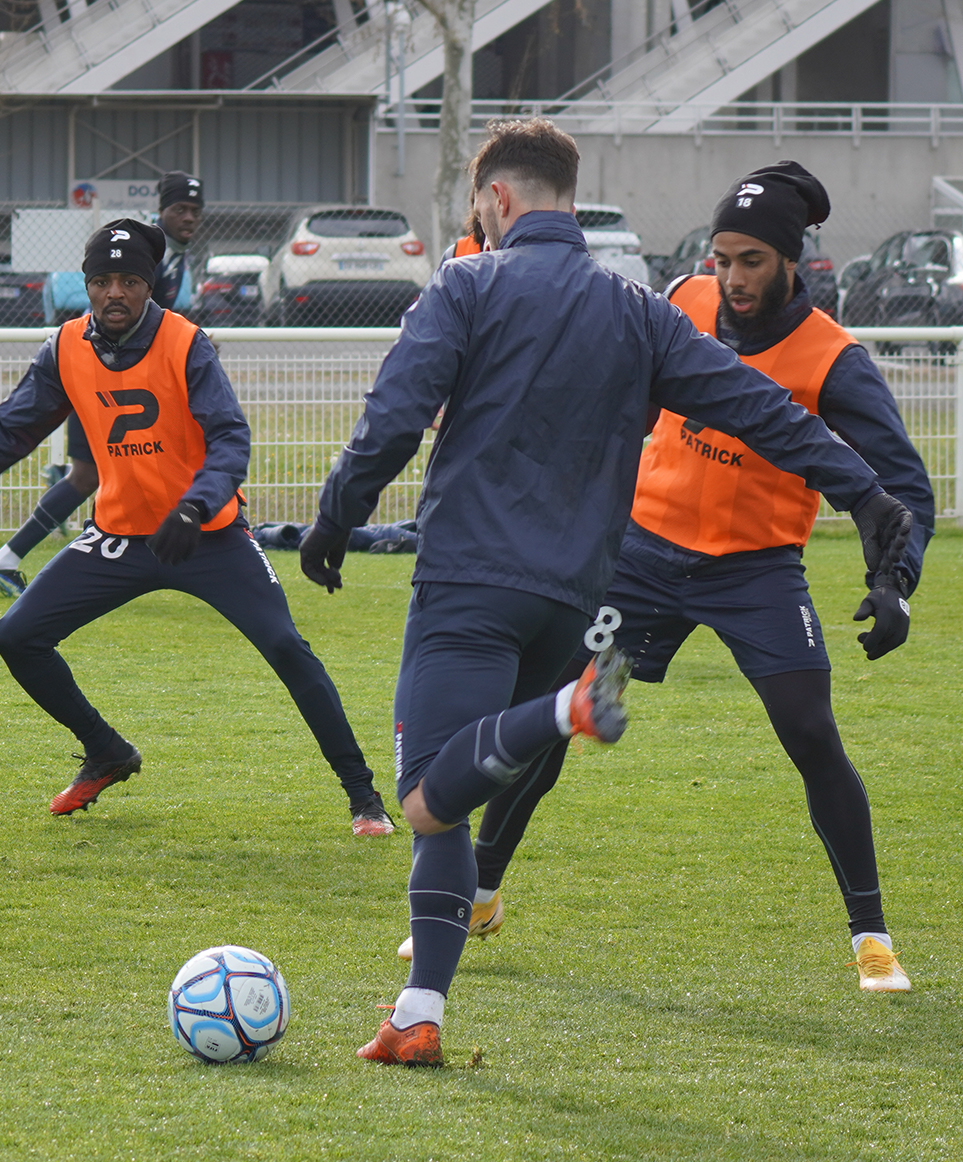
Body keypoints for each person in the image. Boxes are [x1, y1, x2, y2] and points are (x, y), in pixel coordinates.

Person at [299, 120, 914, 1066]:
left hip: (473, 584)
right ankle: (419, 1010)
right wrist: (865, 496)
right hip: (580, 594)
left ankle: (565, 712)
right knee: (469, 784)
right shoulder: (646, 310)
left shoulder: (467, 284)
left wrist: (336, 517)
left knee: (429, 793)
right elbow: (761, 409)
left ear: (496, 201)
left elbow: (392, 420)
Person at [0, 217, 396, 837]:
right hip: (118, 539)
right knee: (16, 635)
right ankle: (106, 750)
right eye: (101, 280)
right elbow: (9, 435)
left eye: (128, 280)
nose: (113, 292)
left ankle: (363, 798)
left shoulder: (186, 342)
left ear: (149, 287)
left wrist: (194, 507)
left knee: (286, 647)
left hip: (207, 535)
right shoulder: (65, 347)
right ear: (87, 286)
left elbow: (229, 439)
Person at [0, 171, 209, 600]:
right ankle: (10, 559)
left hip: (135, 385)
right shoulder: (146, 253)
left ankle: (17, 558)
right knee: (92, 475)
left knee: (102, 474)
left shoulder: (177, 256)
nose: (189, 218)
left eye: (196, 211)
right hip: (107, 380)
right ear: (161, 210)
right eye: (180, 209)